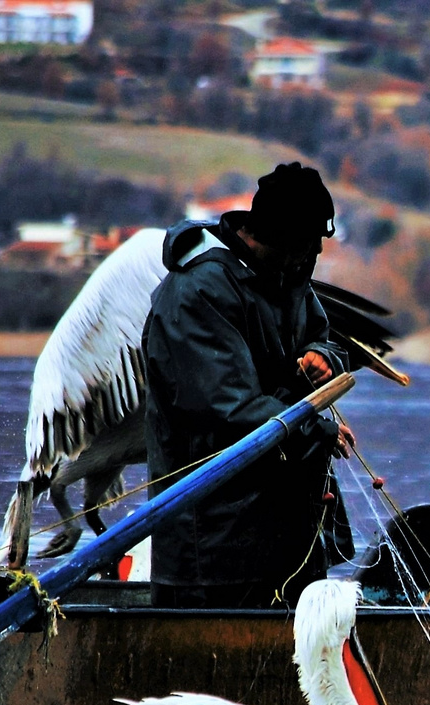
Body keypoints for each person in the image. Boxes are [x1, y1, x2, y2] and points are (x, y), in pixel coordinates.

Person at [141, 162, 356, 608]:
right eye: (310, 240)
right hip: (215, 552)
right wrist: (321, 432)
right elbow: (232, 411)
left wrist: (324, 359)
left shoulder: (288, 277)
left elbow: (325, 338)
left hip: (287, 545)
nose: (316, 250)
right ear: (281, 235)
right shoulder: (198, 293)